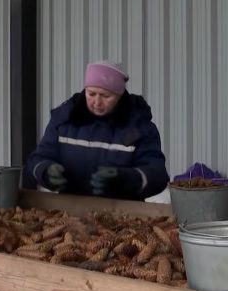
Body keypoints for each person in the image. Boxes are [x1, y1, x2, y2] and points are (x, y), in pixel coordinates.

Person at [26, 60, 169, 200]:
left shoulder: (139, 127)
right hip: (70, 210)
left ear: (119, 95)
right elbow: (37, 159)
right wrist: (46, 172)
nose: (97, 102)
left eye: (106, 96)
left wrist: (124, 180)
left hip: (123, 212)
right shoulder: (64, 121)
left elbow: (157, 175)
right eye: (91, 94)